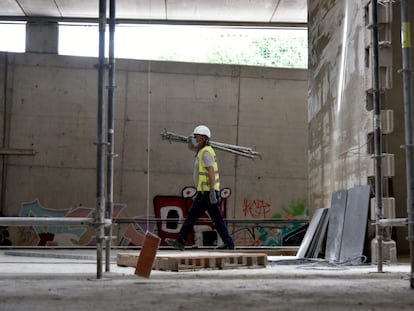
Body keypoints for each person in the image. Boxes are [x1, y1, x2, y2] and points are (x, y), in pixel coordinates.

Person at [165, 125, 235, 250]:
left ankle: (181, 241)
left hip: (207, 193)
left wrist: (213, 190)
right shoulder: (202, 150)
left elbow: (211, 172)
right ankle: (229, 243)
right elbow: (192, 147)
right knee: (216, 220)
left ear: (203, 138)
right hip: (205, 192)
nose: (195, 139)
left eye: (196, 137)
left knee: (192, 218)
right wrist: (189, 141)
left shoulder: (206, 153)